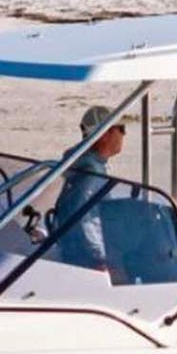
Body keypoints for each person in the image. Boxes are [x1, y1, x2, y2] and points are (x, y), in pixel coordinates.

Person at [52, 105, 127, 270]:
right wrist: (101, 259)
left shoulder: (90, 166)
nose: (123, 135)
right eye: (121, 129)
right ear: (104, 134)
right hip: (87, 262)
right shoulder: (92, 173)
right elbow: (84, 219)